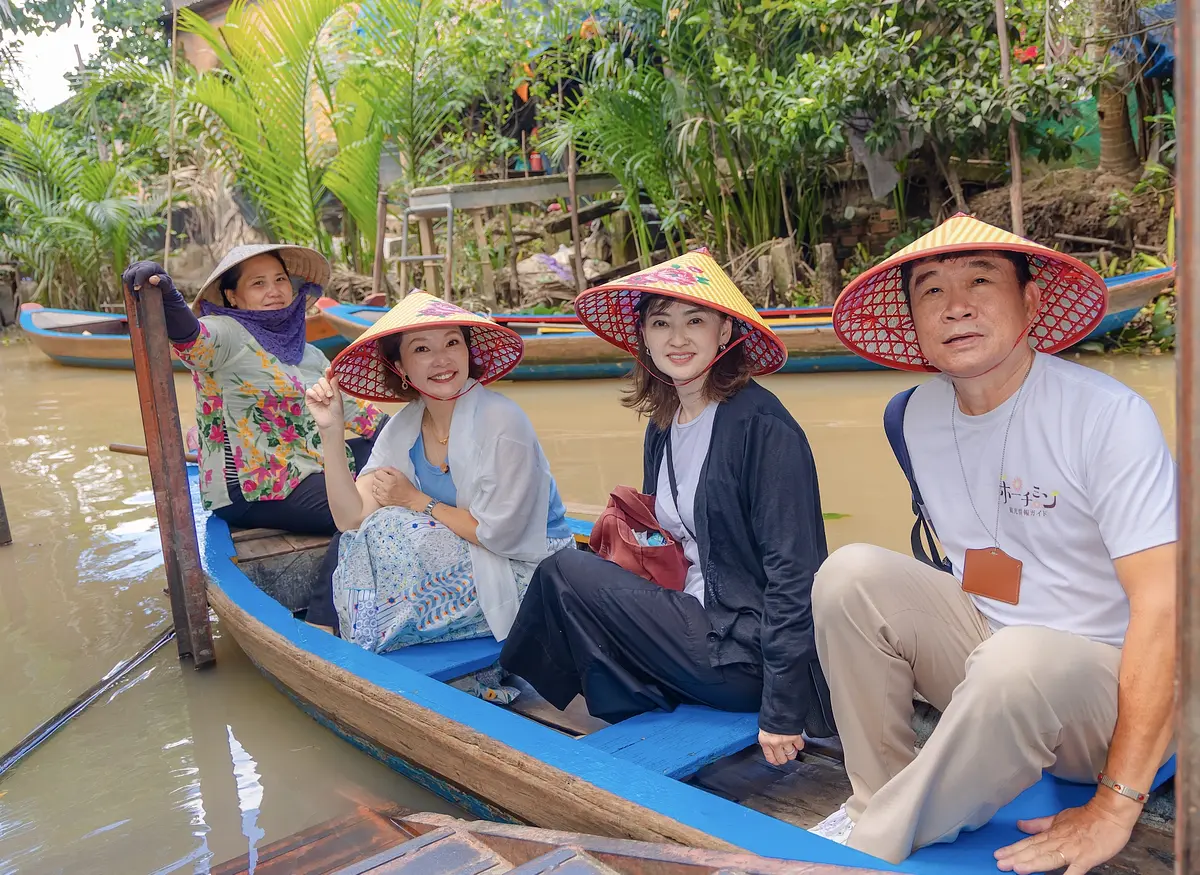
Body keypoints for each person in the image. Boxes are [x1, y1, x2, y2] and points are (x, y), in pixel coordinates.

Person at [810, 214, 1177, 870]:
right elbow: (979, 565)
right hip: (994, 654)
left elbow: (1165, 609)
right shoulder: (912, 415)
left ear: (1030, 301)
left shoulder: (1108, 417)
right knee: (848, 575)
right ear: (915, 322)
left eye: (980, 280)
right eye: (930, 291)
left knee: (1018, 658)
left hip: (1110, 694)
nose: (955, 307)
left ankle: (870, 848)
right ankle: (878, 798)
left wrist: (1115, 804)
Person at [500, 249, 836, 762]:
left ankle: (508, 693)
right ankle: (634, 696)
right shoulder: (665, 423)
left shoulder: (762, 429)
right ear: (645, 337)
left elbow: (796, 575)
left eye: (694, 321)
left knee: (562, 569)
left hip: (744, 654)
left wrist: (783, 711)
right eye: (661, 323)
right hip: (693, 618)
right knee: (583, 574)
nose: (677, 339)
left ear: (724, 331)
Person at [302, 290, 574, 684]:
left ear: (468, 352)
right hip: (471, 555)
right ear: (400, 367)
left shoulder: (502, 422)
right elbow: (351, 517)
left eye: (452, 342)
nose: (442, 358)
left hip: (533, 568)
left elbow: (500, 535)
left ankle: (372, 645)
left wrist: (418, 501)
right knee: (365, 536)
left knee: (391, 527)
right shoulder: (404, 428)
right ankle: (368, 643)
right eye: (422, 349)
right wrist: (332, 432)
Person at [122, 246, 386, 534]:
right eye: (258, 283)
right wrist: (170, 300)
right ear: (233, 297)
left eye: (280, 280)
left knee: (388, 452)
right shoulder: (227, 332)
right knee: (356, 510)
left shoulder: (307, 352)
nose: (273, 290)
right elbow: (194, 340)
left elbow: (350, 408)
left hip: (308, 466)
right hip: (250, 490)